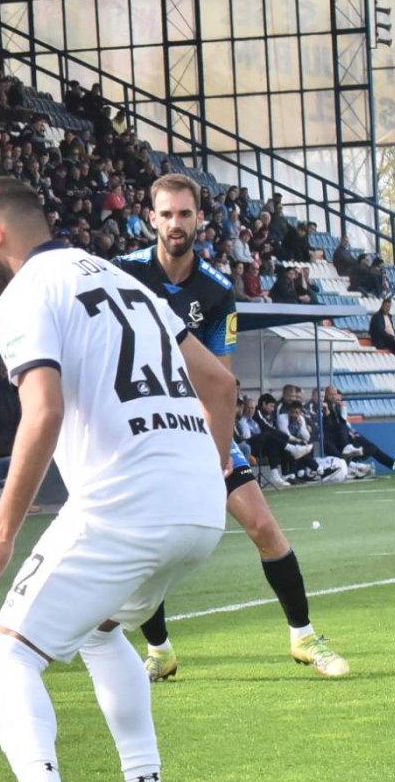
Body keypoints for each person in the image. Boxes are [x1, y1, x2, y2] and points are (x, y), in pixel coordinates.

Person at [0, 177, 238, 782]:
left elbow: (42, 412)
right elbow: (222, 385)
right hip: (199, 505)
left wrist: (0, 536)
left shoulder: (25, 293)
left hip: (125, 502)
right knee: (102, 633)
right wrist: (208, 473)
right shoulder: (128, 281)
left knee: (3, 660)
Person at [115, 174, 350, 680]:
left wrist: (216, 451)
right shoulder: (122, 274)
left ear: (200, 219)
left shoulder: (217, 290)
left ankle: (305, 638)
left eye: (185, 213)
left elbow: (220, 379)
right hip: (141, 428)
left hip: (198, 424)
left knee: (263, 525)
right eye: (166, 214)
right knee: (142, 544)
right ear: (151, 218)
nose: (175, 223)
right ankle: (159, 651)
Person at [320, 386, 395, 475]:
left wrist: (344, 410)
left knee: (371, 446)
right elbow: (334, 426)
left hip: (346, 437)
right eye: (332, 395)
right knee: (371, 448)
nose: (335, 397)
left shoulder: (336, 407)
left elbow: (343, 422)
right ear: (327, 395)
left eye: (336, 395)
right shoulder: (325, 407)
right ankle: (391, 464)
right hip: (338, 442)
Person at [369, 297, 395, 361]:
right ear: (382, 306)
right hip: (383, 340)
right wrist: (393, 338)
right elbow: (381, 331)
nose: (387, 308)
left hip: (391, 338)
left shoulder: (389, 316)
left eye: (389, 307)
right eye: (386, 306)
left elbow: (392, 330)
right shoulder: (377, 316)